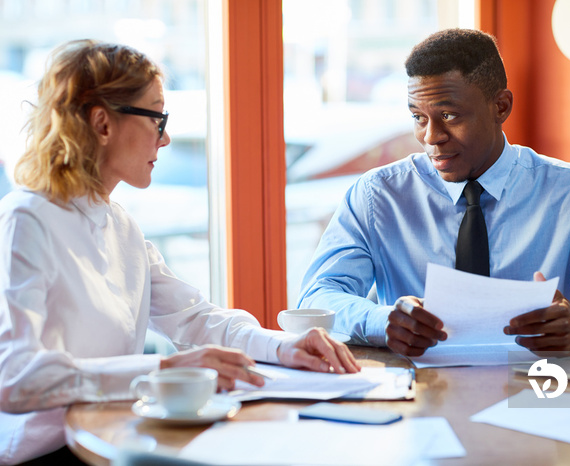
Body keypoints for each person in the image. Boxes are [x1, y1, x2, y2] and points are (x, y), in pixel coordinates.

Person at [0, 40, 359, 465]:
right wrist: (161, 372)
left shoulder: (119, 225)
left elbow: (194, 319)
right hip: (51, 454)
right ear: (102, 124)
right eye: (157, 117)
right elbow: (14, 378)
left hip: (114, 435)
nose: (166, 137)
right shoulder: (27, 220)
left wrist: (286, 347)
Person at [297, 28, 570, 358]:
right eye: (418, 117)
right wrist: (383, 320)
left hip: (537, 390)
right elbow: (317, 297)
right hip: (417, 394)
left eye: (450, 116)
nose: (431, 137)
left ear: (500, 107)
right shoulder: (378, 195)